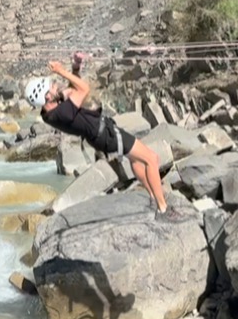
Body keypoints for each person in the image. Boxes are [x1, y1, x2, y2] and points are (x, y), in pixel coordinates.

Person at [29, 60, 176, 216]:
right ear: (45, 96)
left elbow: (72, 89)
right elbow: (83, 89)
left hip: (101, 135)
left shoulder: (49, 112)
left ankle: (154, 196)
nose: (55, 86)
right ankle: (163, 207)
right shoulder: (62, 112)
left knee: (135, 159)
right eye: (51, 87)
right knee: (152, 159)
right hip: (106, 135)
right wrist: (60, 71)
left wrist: (75, 68)